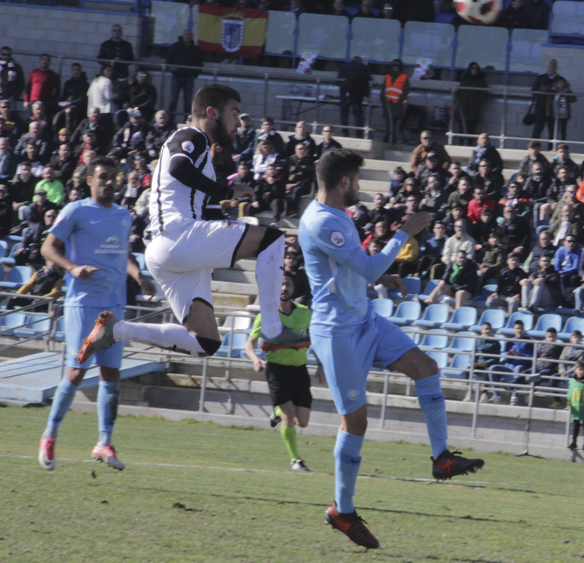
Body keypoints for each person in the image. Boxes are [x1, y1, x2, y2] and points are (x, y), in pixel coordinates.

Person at [298, 149, 484, 549]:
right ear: (345, 182)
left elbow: (347, 273)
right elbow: (365, 267)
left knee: (426, 367)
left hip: (364, 319)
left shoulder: (336, 217)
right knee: (356, 423)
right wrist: (406, 231)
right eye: (358, 181)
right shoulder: (321, 221)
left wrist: (385, 275)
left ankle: (442, 459)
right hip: (337, 334)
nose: (361, 188)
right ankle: (342, 511)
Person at [75, 85, 299, 371]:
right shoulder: (192, 135)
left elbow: (198, 202)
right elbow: (179, 168)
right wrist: (224, 191)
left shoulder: (198, 149)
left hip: (167, 252)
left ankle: (117, 331)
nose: (236, 123)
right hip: (178, 238)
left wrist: (226, 191)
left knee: (205, 342)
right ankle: (272, 329)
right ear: (211, 112)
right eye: (233, 114)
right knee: (273, 241)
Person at [37, 157, 149, 472]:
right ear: (90, 180)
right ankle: (50, 434)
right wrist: (73, 268)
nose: (110, 182)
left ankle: (104, 441)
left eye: (114, 177)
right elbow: (48, 247)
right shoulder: (76, 210)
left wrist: (138, 274)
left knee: (111, 375)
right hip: (83, 303)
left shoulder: (123, 215)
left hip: (113, 308)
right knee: (77, 372)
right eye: (103, 177)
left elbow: (122, 254)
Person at [244, 272, 323, 471]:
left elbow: (316, 342)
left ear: (293, 288)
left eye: (287, 284)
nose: (283, 288)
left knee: (302, 422)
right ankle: (296, 460)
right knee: (289, 417)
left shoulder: (305, 313)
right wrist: (255, 360)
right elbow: (249, 344)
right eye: (280, 284)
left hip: (300, 370)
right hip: (277, 370)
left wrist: (321, 365)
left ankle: (278, 411)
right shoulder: (266, 315)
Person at [165, 29, 202, 122]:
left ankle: (187, 121)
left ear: (192, 37)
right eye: (186, 34)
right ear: (183, 36)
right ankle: (170, 121)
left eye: (189, 35)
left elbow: (200, 64)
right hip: (176, 77)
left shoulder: (196, 49)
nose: (187, 36)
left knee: (188, 101)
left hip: (189, 78)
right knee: (173, 100)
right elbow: (168, 60)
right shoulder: (176, 46)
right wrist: (170, 68)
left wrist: (194, 75)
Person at [338, 56, 371, 137]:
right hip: (357, 95)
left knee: (344, 114)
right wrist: (366, 94)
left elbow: (338, 80)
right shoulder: (363, 67)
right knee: (357, 115)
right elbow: (368, 79)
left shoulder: (345, 66)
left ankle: (345, 132)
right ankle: (358, 134)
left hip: (345, 93)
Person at [380, 59, 410, 144]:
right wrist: (384, 101)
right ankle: (389, 140)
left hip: (397, 105)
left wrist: (399, 102)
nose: (395, 67)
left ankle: (390, 140)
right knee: (389, 123)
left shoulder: (404, 77)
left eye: (397, 66)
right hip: (388, 104)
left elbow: (405, 91)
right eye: (394, 65)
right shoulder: (387, 77)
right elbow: (383, 90)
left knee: (393, 124)